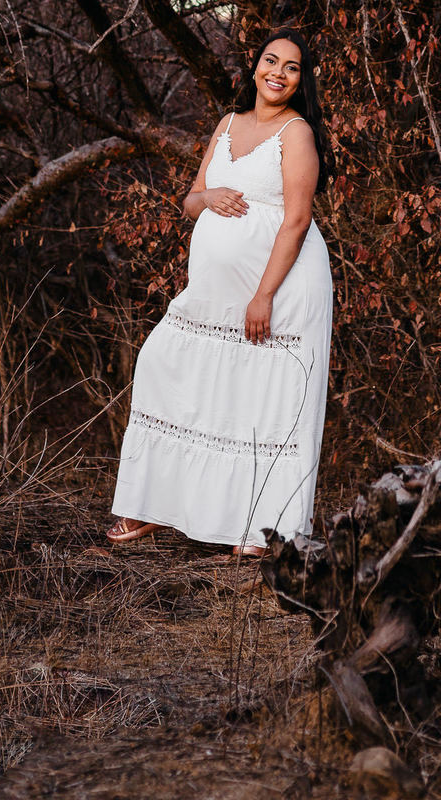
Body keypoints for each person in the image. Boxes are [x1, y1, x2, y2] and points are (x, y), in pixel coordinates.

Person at [106, 29, 333, 558]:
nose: (278, 72)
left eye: (292, 67)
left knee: (268, 398)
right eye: (270, 61)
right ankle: (150, 505)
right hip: (213, 291)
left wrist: (264, 295)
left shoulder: (297, 133)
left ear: (302, 81)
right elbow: (190, 201)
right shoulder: (228, 124)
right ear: (254, 67)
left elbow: (298, 220)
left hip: (280, 285)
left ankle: (262, 531)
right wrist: (206, 195)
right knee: (163, 362)